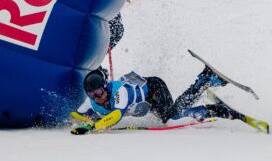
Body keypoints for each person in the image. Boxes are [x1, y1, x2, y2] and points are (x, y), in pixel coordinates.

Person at [70, 65, 247, 134]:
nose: (97, 98)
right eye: (92, 95)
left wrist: (94, 126)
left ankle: (211, 104)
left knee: (171, 119)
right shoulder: (91, 101)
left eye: (99, 93)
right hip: (149, 101)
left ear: (106, 87)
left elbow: (116, 116)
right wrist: (86, 120)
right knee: (173, 113)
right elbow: (76, 114)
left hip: (154, 89)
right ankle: (204, 80)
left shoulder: (119, 92)